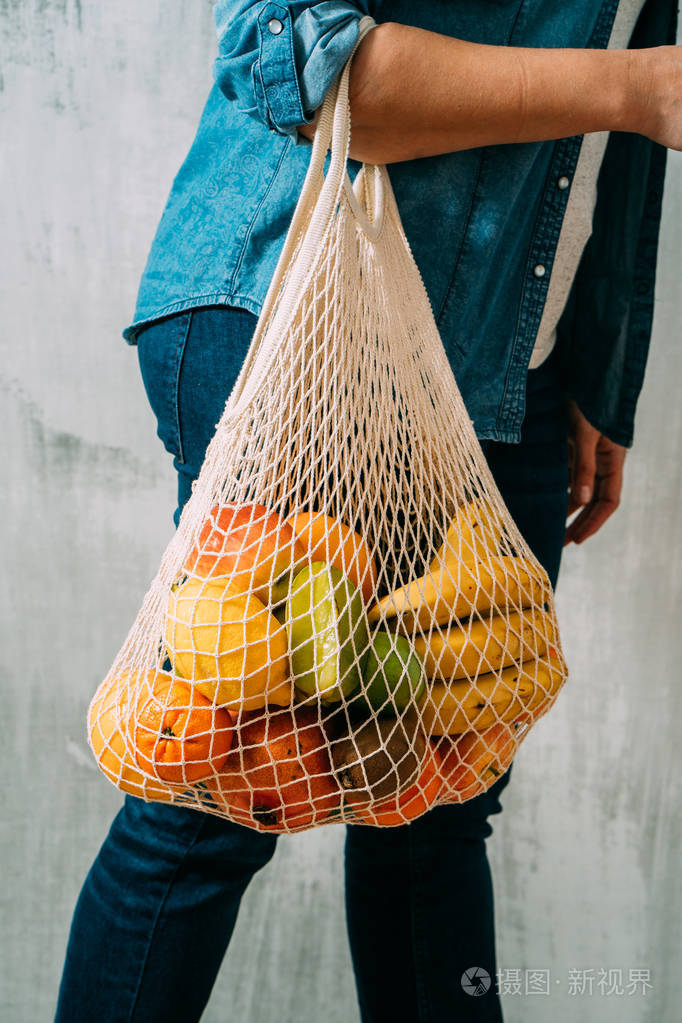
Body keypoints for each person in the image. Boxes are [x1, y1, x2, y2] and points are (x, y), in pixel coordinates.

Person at [55, 3, 681, 1021]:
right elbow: (311, 67)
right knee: (213, 800)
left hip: (512, 360)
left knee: (435, 797)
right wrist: (644, 89)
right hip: (303, 315)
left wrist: (598, 372)